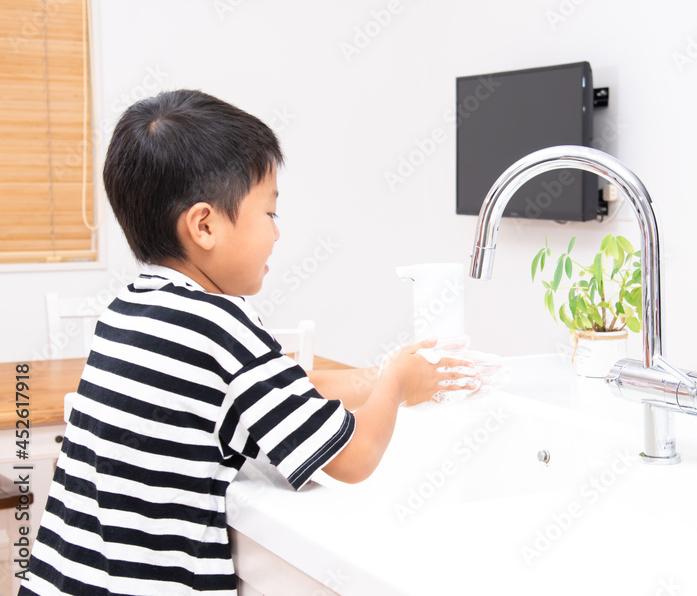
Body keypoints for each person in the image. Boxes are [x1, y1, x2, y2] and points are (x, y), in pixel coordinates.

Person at [19, 89, 476, 595]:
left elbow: (268, 390)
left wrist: (375, 377)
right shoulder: (222, 324)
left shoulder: (130, 307)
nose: (277, 234)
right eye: (270, 214)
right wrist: (395, 385)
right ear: (205, 225)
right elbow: (355, 457)